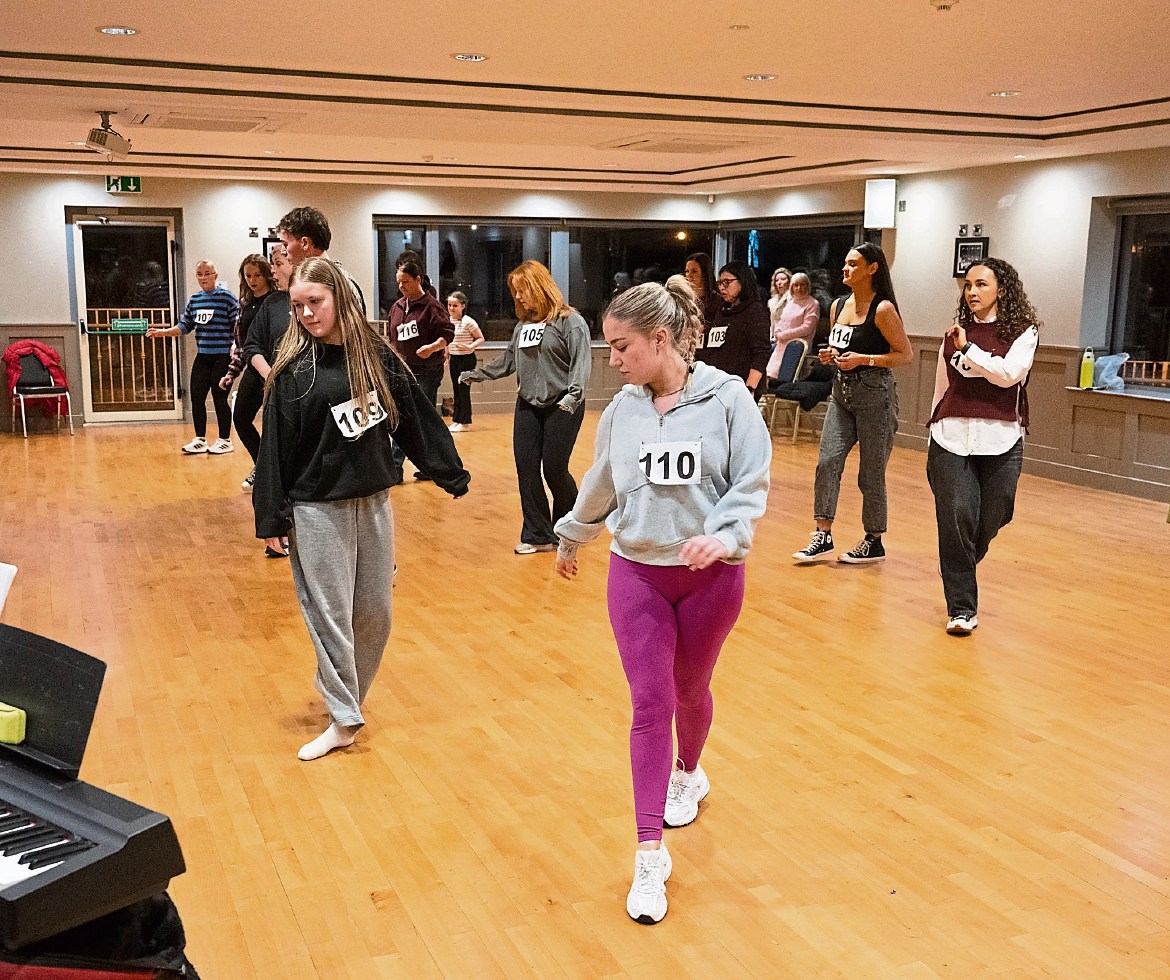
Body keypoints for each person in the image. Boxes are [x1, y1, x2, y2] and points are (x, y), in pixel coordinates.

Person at [554, 277, 771, 925]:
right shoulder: (622, 409)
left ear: (661, 338)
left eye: (622, 347)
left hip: (710, 579)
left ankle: (690, 773)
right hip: (638, 574)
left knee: (689, 692)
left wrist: (727, 536)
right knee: (650, 707)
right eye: (609, 347)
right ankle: (649, 854)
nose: (613, 359)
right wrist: (573, 533)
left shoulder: (729, 400)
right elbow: (602, 480)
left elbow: (751, 481)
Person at [252, 258, 470, 761]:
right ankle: (344, 717)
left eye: (316, 302)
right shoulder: (293, 372)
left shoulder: (374, 357)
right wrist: (272, 517)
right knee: (329, 615)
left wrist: (447, 470)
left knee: (374, 615)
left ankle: (343, 690)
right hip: (315, 509)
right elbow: (275, 450)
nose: (306, 313)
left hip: (372, 502)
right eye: (298, 305)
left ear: (340, 299)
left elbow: (413, 413)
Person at [927, 259, 1040, 635]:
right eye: (968, 285)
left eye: (981, 285)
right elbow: (943, 387)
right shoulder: (954, 334)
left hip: (1002, 439)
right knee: (956, 517)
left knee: (995, 514)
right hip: (951, 437)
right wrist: (934, 424)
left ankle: (959, 564)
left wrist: (969, 350)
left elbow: (1008, 375)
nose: (972, 292)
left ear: (1001, 290)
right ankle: (961, 608)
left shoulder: (1024, 332)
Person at [792, 243, 913, 565]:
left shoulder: (883, 309)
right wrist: (829, 356)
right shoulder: (838, 306)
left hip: (876, 395)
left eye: (852, 264)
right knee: (827, 462)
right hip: (841, 392)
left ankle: (874, 539)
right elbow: (836, 346)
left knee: (871, 473)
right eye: (844, 263)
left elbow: (905, 355)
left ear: (872, 269)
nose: (844, 269)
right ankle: (822, 532)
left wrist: (866, 359)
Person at [460, 260, 592, 554]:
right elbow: (508, 362)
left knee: (555, 470)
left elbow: (581, 366)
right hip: (528, 405)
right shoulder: (524, 326)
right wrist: (475, 375)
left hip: (563, 405)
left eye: (523, 290)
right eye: (515, 292)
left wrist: (572, 399)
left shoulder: (570, 322)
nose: (518, 297)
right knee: (527, 470)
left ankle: (568, 528)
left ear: (539, 287)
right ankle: (538, 535)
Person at [146, 260, 239, 455]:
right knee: (197, 397)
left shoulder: (227, 298)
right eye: (200, 274)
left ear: (215, 274)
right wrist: (162, 333)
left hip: (222, 357)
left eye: (207, 273)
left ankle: (225, 439)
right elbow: (185, 326)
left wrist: (235, 346)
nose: (204, 278)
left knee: (219, 398)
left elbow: (237, 327)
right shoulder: (195, 299)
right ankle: (200, 439)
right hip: (203, 356)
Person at [387, 260, 453, 480]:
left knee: (417, 417)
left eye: (406, 281)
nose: (401, 287)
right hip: (402, 369)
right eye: (399, 283)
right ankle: (415, 467)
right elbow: (392, 337)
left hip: (426, 371)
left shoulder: (432, 307)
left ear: (418, 279)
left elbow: (447, 334)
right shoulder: (397, 307)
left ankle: (409, 467)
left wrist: (433, 347)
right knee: (405, 416)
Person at [219, 253, 277, 485]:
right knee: (241, 418)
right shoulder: (244, 305)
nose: (253, 280)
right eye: (248, 275)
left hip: (276, 370)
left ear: (266, 275)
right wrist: (231, 372)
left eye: (257, 275)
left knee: (276, 425)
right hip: (254, 369)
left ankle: (278, 474)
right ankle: (261, 465)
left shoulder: (277, 300)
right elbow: (241, 344)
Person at [694, 260, 771, 398]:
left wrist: (750, 389)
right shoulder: (721, 309)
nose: (722, 288)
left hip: (741, 388)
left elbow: (761, 353)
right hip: (716, 385)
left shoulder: (755, 311)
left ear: (743, 281)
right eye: (720, 283)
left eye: (727, 282)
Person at [276, 206, 366, 313]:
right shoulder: (300, 279)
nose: (282, 251)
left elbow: (353, 329)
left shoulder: (341, 283)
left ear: (305, 243)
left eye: (285, 244)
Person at [765, 272, 820, 381]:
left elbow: (807, 328)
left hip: (796, 347)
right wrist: (778, 331)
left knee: (783, 380)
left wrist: (784, 335)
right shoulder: (791, 303)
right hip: (781, 344)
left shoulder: (813, 304)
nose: (799, 288)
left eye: (802, 284)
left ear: (807, 286)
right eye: (796, 285)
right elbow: (781, 321)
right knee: (769, 377)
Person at [445, 290, 484, 432]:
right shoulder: (448, 321)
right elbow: (447, 341)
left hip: (466, 359)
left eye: (455, 305)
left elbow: (480, 338)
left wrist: (469, 346)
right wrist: (446, 355)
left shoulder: (468, 321)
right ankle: (457, 420)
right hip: (454, 358)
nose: (451, 308)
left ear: (462, 306)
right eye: (449, 305)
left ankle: (465, 422)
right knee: (456, 390)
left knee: (463, 390)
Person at [682, 252, 719, 329]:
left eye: (694, 271)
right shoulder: (683, 299)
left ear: (704, 273)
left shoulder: (717, 300)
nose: (689, 275)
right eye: (687, 271)